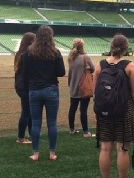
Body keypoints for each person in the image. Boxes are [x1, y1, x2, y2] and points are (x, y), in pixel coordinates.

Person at [94, 34, 134, 178]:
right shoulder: (129, 66)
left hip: (104, 112)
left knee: (105, 148)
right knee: (122, 148)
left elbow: (96, 93)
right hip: (124, 110)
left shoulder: (100, 66)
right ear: (125, 48)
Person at [21, 25, 65, 162]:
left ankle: (35, 153)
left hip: (34, 90)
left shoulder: (28, 53)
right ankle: (52, 153)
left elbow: (24, 74)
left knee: (36, 123)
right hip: (51, 89)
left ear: (37, 36)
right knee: (52, 122)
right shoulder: (56, 52)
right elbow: (61, 72)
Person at [67, 38, 96, 137]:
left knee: (72, 108)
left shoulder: (71, 58)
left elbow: (70, 73)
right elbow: (93, 68)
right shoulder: (85, 57)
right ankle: (86, 132)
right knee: (83, 110)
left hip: (73, 87)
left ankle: (71, 129)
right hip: (84, 88)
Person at [14, 32, 35, 144]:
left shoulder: (19, 53)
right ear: (31, 42)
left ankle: (31, 134)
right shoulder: (27, 54)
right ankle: (21, 137)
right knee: (26, 112)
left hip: (20, 85)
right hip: (26, 86)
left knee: (28, 111)